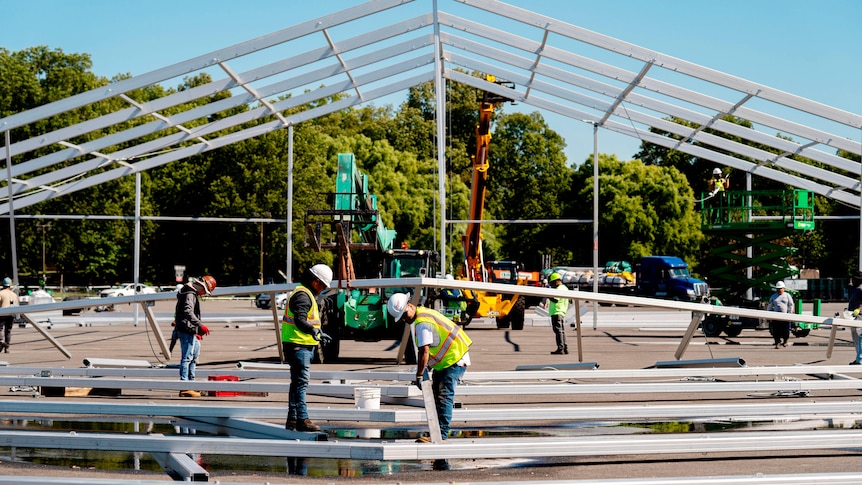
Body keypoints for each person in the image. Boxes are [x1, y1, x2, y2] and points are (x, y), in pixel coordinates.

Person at [387, 292, 472, 471]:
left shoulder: (422, 323)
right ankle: (436, 432)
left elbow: (424, 352)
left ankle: (440, 434)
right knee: (437, 395)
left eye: (404, 315)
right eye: (401, 318)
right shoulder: (422, 314)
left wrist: (419, 374)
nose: (404, 320)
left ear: (409, 306)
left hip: (454, 358)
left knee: (444, 396)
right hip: (450, 359)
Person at [283, 264, 333, 432]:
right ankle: (302, 419)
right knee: (301, 384)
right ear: (315, 281)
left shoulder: (304, 293)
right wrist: (313, 330)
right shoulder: (303, 295)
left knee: (297, 384)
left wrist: (316, 332)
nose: (324, 289)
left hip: (300, 344)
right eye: (323, 285)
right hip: (299, 345)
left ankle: (293, 420)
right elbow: (300, 320)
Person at [174, 275, 215, 397]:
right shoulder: (190, 294)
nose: (202, 294)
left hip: (190, 329)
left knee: (194, 356)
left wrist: (197, 330)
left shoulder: (190, 292)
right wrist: (200, 325)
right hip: (186, 329)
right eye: (204, 292)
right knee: (187, 358)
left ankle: (191, 384)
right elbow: (188, 312)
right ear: (202, 287)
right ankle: (185, 386)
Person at [546, 272, 569, 355]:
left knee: (558, 330)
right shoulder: (565, 288)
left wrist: (547, 294)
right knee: (562, 330)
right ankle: (565, 347)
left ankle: (560, 348)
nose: (551, 286)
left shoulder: (559, 289)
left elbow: (555, 299)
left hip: (557, 312)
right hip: (561, 312)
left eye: (551, 283)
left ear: (556, 281)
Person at [766, 281, 793, 349]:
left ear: (783, 288)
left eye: (780, 288)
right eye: (778, 288)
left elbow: (791, 305)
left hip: (785, 316)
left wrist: (790, 313)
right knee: (776, 331)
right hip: (776, 317)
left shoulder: (787, 295)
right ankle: (777, 343)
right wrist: (768, 315)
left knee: (786, 331)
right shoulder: (773, 296)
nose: (779, 290)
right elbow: (770, 306)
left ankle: (785, 341)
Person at [0, 277, 19, 353]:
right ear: (10, 285)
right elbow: (16, 304)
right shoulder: (14, 294)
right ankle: (7, 347)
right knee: (8, 330)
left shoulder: (1, 293)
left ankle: (1, 341)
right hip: (11, 314)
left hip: (2, 313)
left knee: (0, 329)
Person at [847, 270, 862, 364]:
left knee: (860, 336)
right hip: (852, 315)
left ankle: (860, 358)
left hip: (859, 315)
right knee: (855, 337)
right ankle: (858, 356)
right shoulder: (854, 288)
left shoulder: (861, 289)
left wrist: (859, 309)